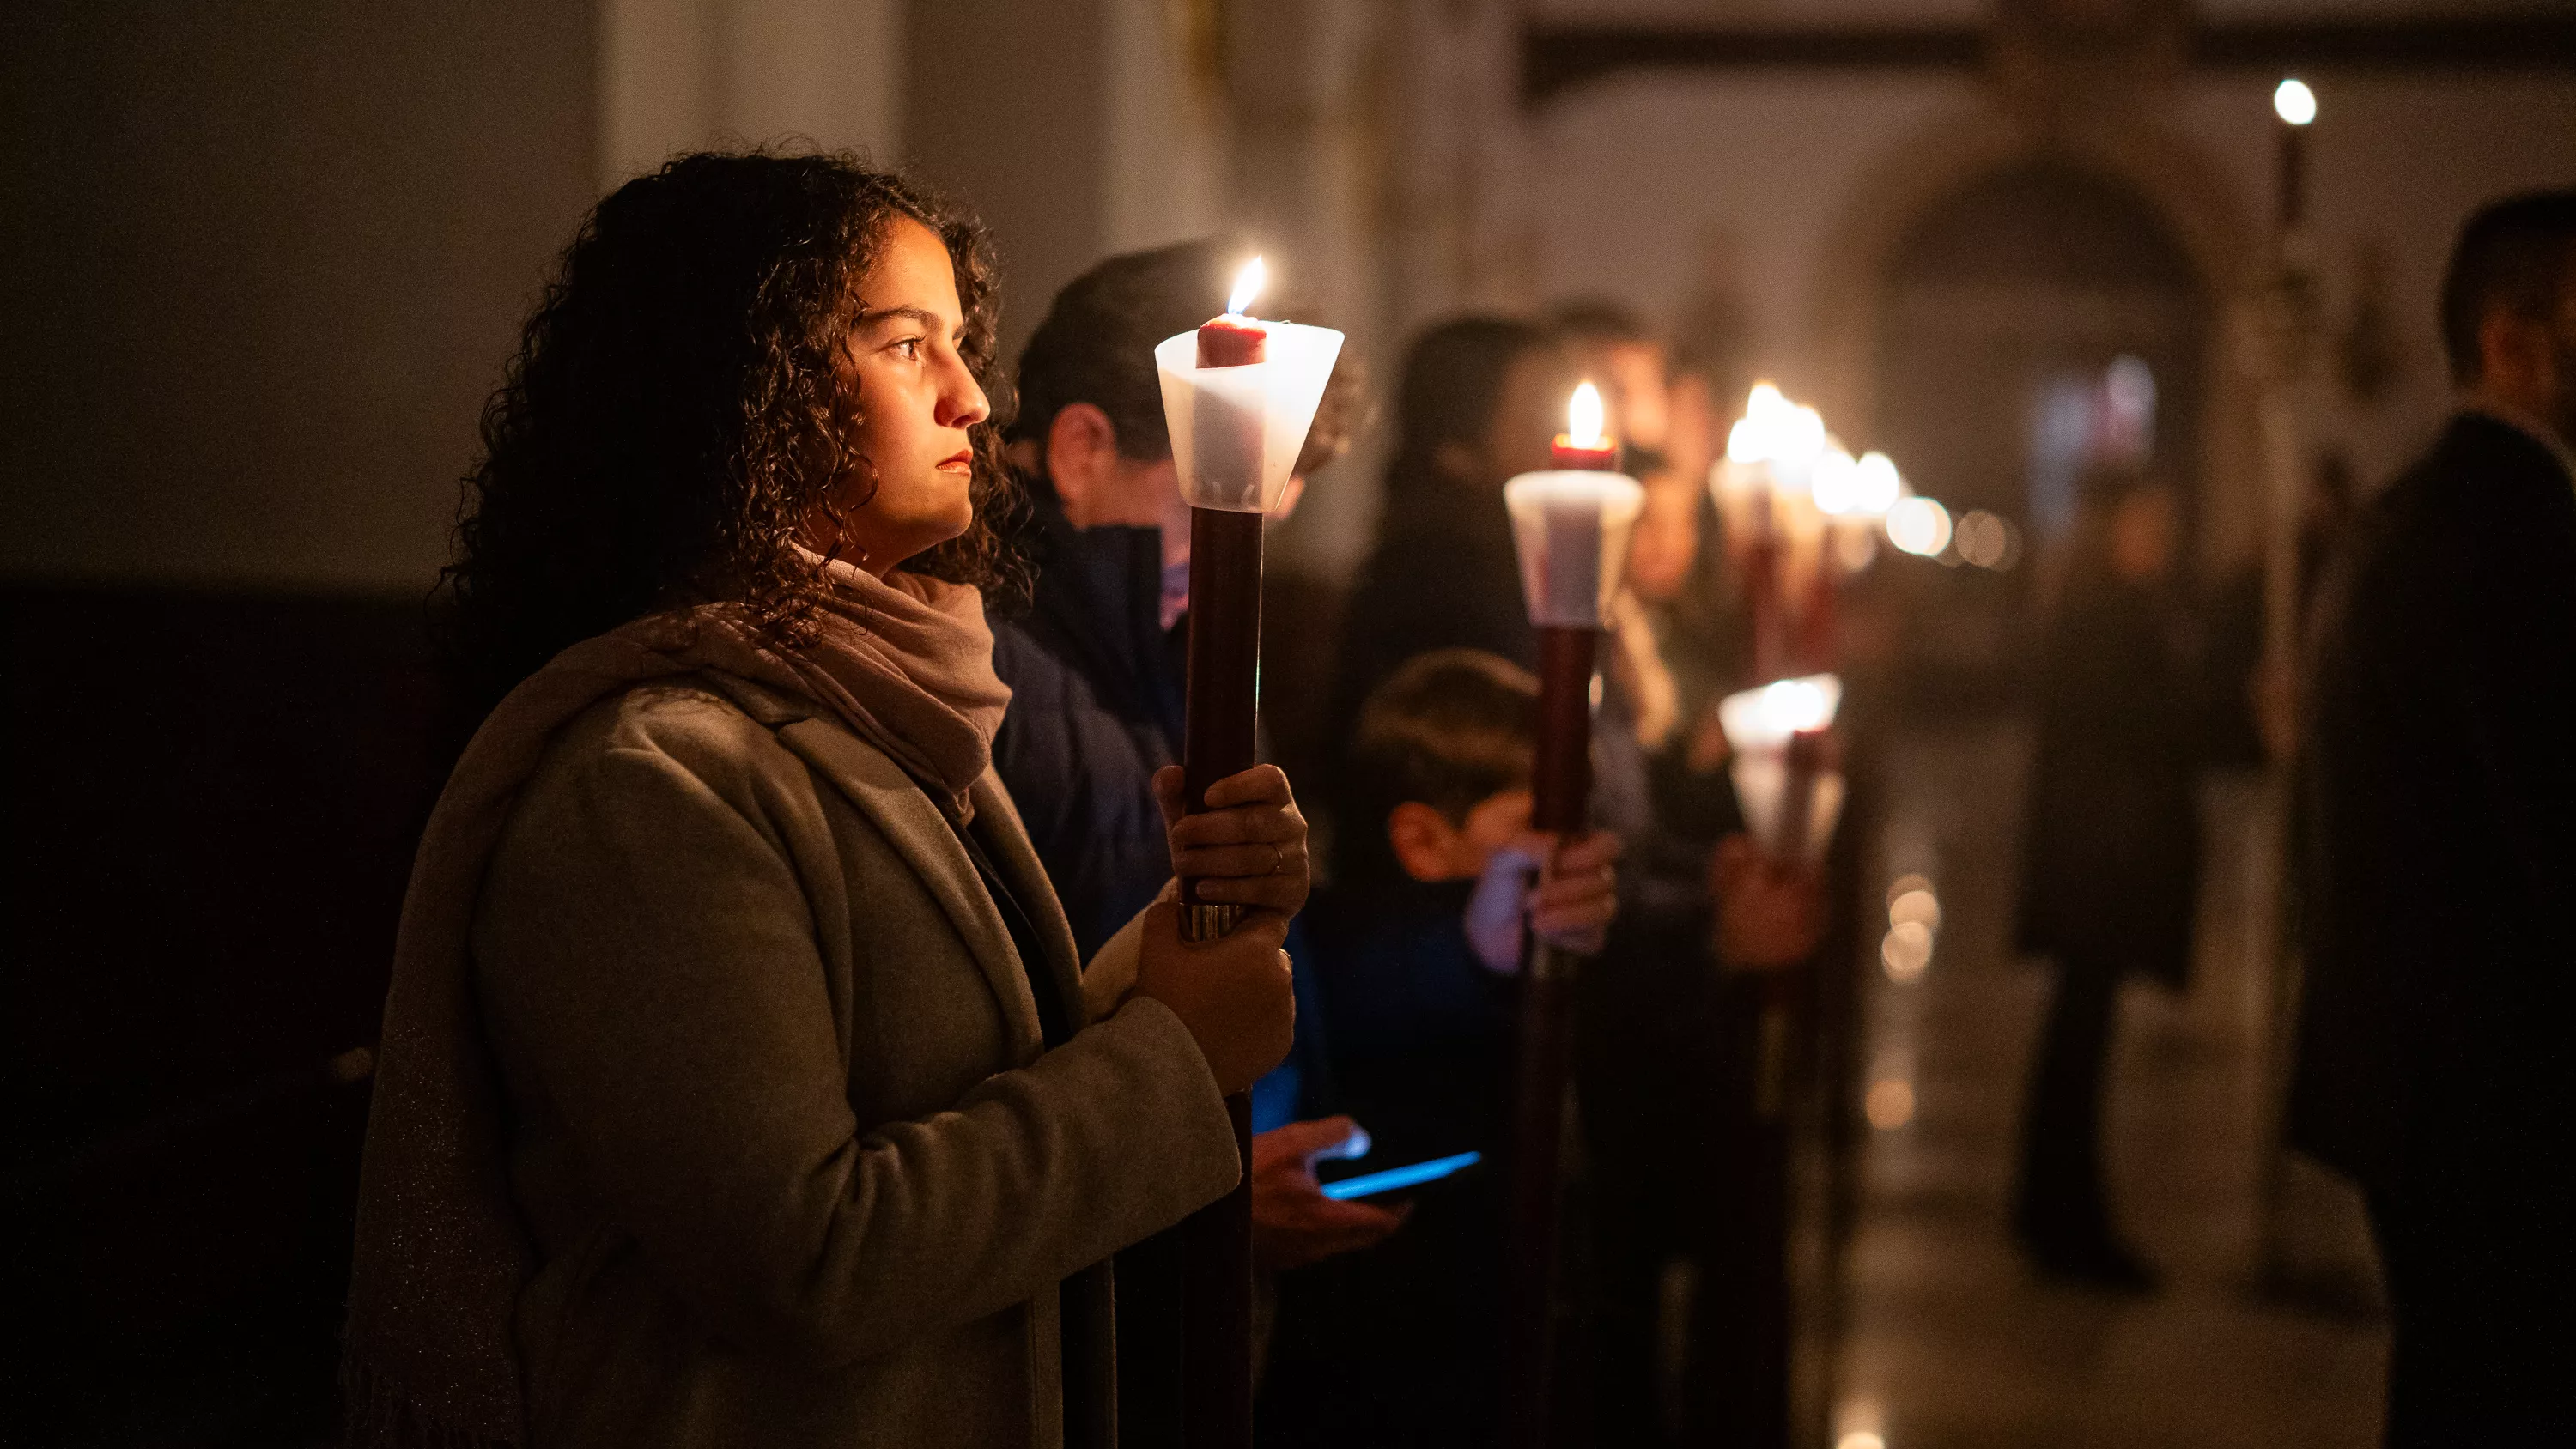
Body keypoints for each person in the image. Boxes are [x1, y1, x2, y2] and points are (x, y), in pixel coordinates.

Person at [342, 152, 1311, 1449]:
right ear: (750, 387)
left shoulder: (882, 717)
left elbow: (984, 1084)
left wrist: (1195, 926)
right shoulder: (650, 783)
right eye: (908, 346)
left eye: (959, 344)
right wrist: (1176, 1060)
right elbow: (809, 1262)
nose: (974, 397)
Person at [985, 238, 1388, 1446]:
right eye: (1233, 466)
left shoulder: (1165, 642)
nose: (1269, 514)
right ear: (1083, 449)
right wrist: (1200, 1164)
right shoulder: (994, 678)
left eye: (1290, 472)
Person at [2293, 188, 2576, 1442]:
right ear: (2515, 339)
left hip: (2425, 1078)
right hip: (2498, 1087)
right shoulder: (2515, 533)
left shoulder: (2420, 512)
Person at [1261, 649, 1621, 1449]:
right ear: (1423, 841)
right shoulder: (1343, 968)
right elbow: (1368, 975)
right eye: (1539, 825)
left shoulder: (1545, 970)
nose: (1577, 857)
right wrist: (1472, 946)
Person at [2011, 465, 2202, 1289]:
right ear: (2113, 527)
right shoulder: (2106, 617)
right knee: (2077, 1043)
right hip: (2101, 862)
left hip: (2095, 861)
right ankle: (2065, 1220)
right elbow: (2136, 733)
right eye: (2149, 522)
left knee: (2078, 1040)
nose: (2162, 539)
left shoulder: (2104, 608)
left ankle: (2054, 1208)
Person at [1325, 317, 1571, 736]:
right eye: (1537, 418)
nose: (1563, 441)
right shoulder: (1435, 589)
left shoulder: (1520, 563)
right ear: (1457, 449)